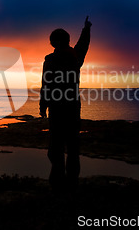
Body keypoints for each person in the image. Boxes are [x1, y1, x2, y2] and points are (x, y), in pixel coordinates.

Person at [40, 16, 91, 193]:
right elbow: (83, 46)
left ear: (54, 42)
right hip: (72, 107)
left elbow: (45, 85)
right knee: (72, 146)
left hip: (57, 108)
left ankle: (57, 183)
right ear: (67, 41)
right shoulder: (74, 57)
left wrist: (43, 105)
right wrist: (86, 29)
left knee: (56, 147)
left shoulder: (51, 60)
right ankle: (71, 183)